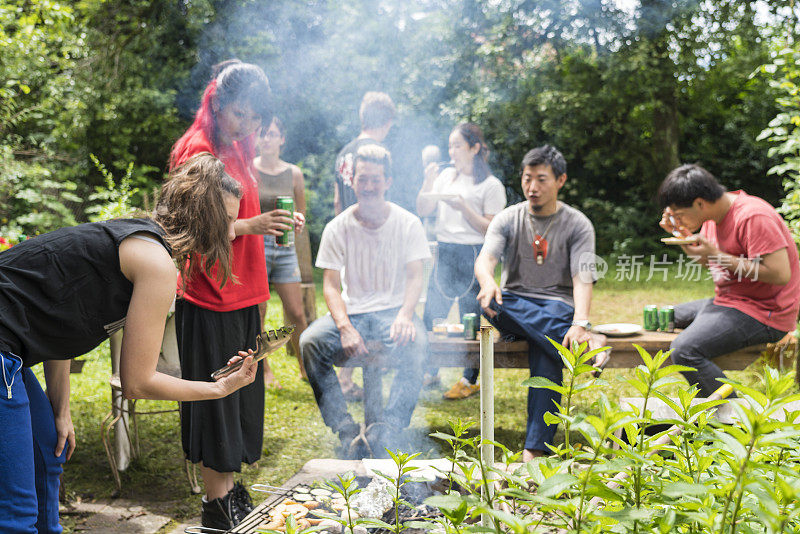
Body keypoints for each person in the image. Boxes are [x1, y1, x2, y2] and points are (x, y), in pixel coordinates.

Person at [0, 153, 259, 533]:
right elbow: (137, 382)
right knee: (15, 513)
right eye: (228, 221)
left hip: (14, 355)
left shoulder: (138, 240)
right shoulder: (155, 263)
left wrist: (61, 410)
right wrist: (219, 388)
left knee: (46, 454)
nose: (231, 233)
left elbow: (58, 320)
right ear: (204, 219)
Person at [169, 60, 302, 530]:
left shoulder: (239, 142)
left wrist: (273, 219)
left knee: (242, 396)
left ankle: (229, 492)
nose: (246, 126)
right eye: (239, 115)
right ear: (218, 102)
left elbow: (236, 206)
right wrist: (254, 225)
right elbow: (190, 230)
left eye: (254, 119)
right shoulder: (197, 149)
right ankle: (215, 507)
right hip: (208, 296)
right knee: (217, 399)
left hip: (243, 289)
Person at [301, 144, 431, 459]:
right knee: (309, 342)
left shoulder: (408, 223)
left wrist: (405, 314)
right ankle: (346, 430)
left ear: (387, 181)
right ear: (353, 181)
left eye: (375, 179)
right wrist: (344, 327)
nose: (369, 186)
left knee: (418, 342)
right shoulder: (338, 227)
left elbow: (416, 276)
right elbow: (330, 286)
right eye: (363, 179)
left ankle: (390, 427)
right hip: (354, 312)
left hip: (393, 312)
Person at [474, 145, 600, 462]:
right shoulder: (507, 218)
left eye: (542, 179)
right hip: (513, 304)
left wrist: (580, 321)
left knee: (545, 347)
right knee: (490, 301)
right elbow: (485, 260)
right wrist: (488, 280)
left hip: (557, 305)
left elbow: (583, 277)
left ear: (561, 180)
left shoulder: (578, 224)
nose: (533, 187)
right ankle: (587, 344)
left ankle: (535, 449)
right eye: (528, 178)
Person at [657, 164, 800, 396]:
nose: (677, 219)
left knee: (684, 349)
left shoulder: (753, 216)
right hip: (730, 301)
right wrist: (682, 236)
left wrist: (714, 254)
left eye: (679, 214)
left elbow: (780, 274)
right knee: (662, 317)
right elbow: (708, 261)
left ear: (700, 203)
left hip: (765, 312)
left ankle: (734, 417)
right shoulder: (712, 219)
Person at [416, 123, 506, 398]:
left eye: (457, 146)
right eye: (450, 146)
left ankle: (470, 379)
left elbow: (491, 230)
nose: (452, 151)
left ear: (474, 148)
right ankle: (430, 370)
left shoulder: (490, 186)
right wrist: (428, 181)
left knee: (472, 319)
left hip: (474, 254)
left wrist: (463, 207)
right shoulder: (445, 176)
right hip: (445, 250)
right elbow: (423, 209)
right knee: (432, 313)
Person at [333, 91, 396, 401]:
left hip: (347, 231)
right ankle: (360, 372)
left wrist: (339, 234)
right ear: (387, 121)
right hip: (373, 236)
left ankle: (346, 378)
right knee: (372, 304)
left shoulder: (344, 152)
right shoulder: (378, 152)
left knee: (350, 299)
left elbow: (336, 200)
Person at [253, 117, 309, 384]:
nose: (267, 138)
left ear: (281, 139)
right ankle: (264, 370)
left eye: (272, 134)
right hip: (256, 245)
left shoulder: (294, 173)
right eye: (262, 133)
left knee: (296, 312)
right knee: (259, 312)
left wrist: (298, 220)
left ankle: (305, 367)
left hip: (284, 246)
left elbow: (301, 211)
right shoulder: (249, 169)